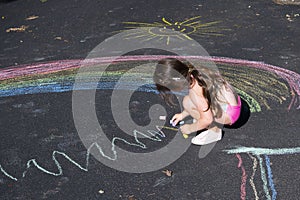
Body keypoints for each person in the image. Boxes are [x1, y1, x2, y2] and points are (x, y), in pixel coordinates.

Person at [153, 58, 241, 145]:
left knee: (190, 105)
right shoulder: (193, 71)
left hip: (230, 114)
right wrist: (182, 115)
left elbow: (207, 120)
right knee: (187, 101)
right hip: (233, 101)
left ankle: (214, 132)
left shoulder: (195, 91)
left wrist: (190, 128)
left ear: (176, 82)